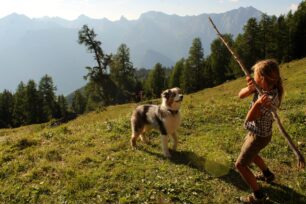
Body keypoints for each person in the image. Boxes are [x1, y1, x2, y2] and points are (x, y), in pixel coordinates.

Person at [235, 59, 284, 203]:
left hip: (258, 136)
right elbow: (240, 95)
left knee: (240, 165)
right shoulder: (264, 89)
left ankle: (258, 196)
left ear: (262, 78)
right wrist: (250, 89)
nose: (252, 77)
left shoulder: (268, 99)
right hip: (261, 133)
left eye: (255, 75)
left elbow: (249, 118)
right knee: (254, 154)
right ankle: (268, 175)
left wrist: (256, 104)